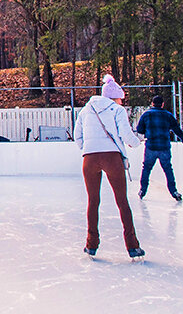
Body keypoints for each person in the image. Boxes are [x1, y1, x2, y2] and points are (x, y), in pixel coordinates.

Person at [74, 74, 145, 261]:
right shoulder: (117, 110)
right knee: (122, 202)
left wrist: (88, 147)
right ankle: (133, 246)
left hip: (89, 158)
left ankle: (91, 244)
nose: (122, 100)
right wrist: (137, 142)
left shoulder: (85, 110)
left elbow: (77, 135)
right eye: (121, 97)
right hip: (112, 157)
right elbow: (126, 134)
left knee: (93, 201)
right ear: (115, 96)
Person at [135, 95, 183, 201]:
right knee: (168, 169)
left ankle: (142, 190)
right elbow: (177, 130)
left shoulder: (146, 114)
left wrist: (148, 130)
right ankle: (174, 191)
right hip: (164, 147)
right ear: (162, 104)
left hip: (151, 146)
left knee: (146, 168)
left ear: (152, 103)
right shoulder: (167, 115)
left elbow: (140, 129)